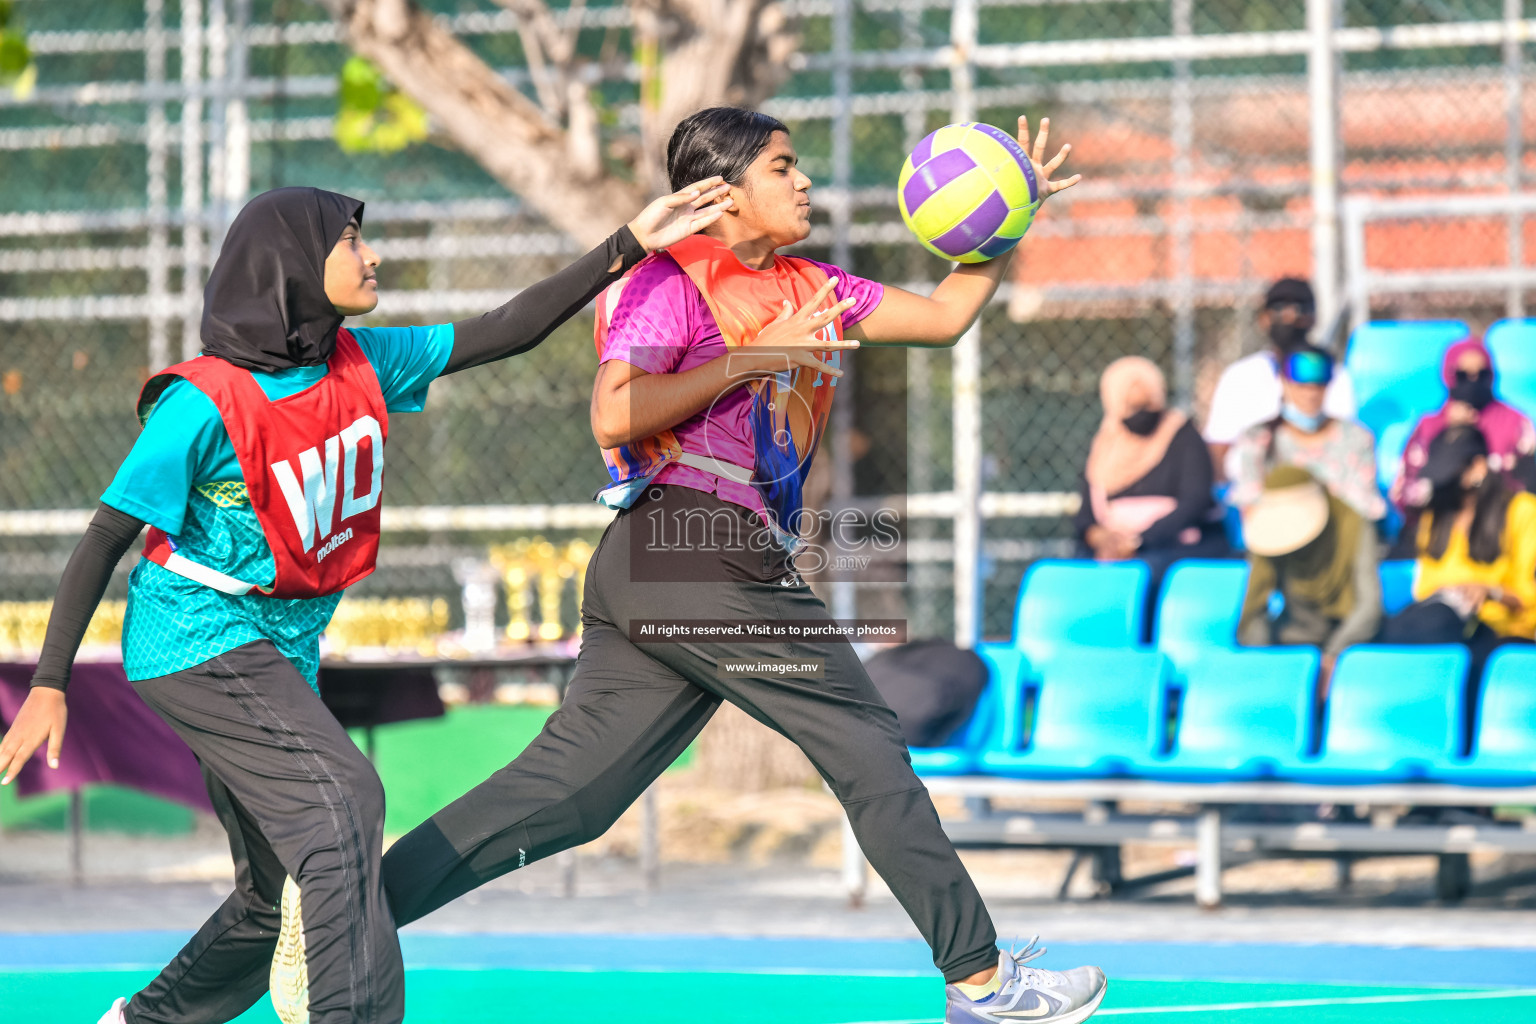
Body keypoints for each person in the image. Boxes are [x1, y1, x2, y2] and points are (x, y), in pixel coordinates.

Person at [375, 108, 1109, 1024]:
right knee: (866, 743)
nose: (805, 182)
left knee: (571, 797)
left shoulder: (818, 286)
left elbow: (950, 316)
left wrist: (1006, 222)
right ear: (722, 192)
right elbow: (616, 414)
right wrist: (758, 356)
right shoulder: (668, 278)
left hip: (679, 565)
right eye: (783, 166)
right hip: (690, 546)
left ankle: (340, 914)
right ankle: (982, 980)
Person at [0, 180, 736, 1024]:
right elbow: (103, 538)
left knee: (276, 895)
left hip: (279, 644)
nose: (371, 254)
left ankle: (143, 1021)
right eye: (351, 241)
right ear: (294, 267)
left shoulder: (361, 363)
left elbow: (509, 329)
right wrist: (50, 682)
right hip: (195, 636)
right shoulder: (203, 403)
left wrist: (630, 241)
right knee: (345, 801)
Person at [1379, 426, 1536, 743]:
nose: (1444, 482)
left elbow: (1528, 596)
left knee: (1471, 659)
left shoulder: (1522, 512)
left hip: (1505, 630)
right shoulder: (1436, 516)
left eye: (1452, 472)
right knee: (1397, 634)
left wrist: (1488, 591)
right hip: (1449, 620)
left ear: (1478, 467)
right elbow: (1427, 587)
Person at [1074, 355, 1226, 614]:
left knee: (1147, 574)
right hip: (1117, 548)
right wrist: (1103, 538)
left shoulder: (1182, 436)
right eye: (1131, 406)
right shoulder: (1105, 447)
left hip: (1174, 546)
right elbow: (1086, 517)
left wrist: (1139, 541)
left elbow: (1195, 501)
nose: (1141, 413)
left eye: (1146, 403)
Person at [1237, 466, 1383, 696]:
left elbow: (1368, 607)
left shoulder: (1352, 525)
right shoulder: (1266, 536)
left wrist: (1333, 655)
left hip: (1349, 642)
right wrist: (1263, 663)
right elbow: (1254, 608)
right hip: (1292, 641)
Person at [1204, 278, 1356, 479]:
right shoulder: (1239, 376)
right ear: (1263, 318)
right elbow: (1218, 447)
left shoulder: (1333, 375)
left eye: (1299, 309)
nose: (1289, 316)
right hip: (1251, 492)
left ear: (1313, 318)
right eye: (1279, 308)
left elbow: (1343, 442)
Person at [1227, 345, 1385, 523]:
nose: (1310, 393)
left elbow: (1364, 507)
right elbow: (1250, 506)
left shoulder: (1357, 438)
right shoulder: (1258, 438)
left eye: (1319, 384)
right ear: (1283, 382)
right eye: (1301, 384)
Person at [1391, 335, 1535, 512]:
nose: (1473, 382)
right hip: (1443, 524)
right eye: (1463, 376)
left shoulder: (1515, 423)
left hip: (1499, 524)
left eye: (1481, 375)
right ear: (1449, 376)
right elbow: (1405, 494)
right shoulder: (1429, 427)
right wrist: (1451, 435)